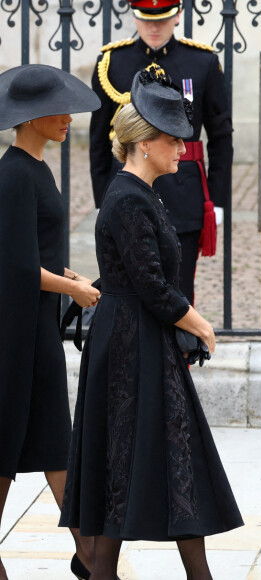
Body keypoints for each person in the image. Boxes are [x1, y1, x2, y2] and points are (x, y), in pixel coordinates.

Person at [59, 66, 243, 580]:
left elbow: (144, 279)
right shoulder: (125, 200)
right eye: (174, 142)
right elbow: (153, 286)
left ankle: (123, 574)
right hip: (130, 343)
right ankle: (105, 574)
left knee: (162, 452)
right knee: (131, 453)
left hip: (140, 338)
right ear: (144, 145)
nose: (184, 150)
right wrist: (201, 325)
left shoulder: (139, 195)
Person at [0, 64, 102, 580]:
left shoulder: (37, 170)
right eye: (59, 111)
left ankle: (89, 556)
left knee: (52, 437)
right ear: (32, 116)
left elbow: (34, 250)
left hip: (36, 326)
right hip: (14, 333)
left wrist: (68, 275)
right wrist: (74, 290)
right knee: (8, 438)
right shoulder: (13, 173)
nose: (68, 119)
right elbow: (15, 265)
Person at [89, 0, 233, 306]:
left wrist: (218, 200)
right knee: (128, 289)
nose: (154, 27)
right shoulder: (112, 61)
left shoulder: (202, 62)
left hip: (185, 193)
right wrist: (102, 199)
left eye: (163, 19)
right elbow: (99, 139)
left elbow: (220, 137)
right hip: (126, 188)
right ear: (134, 15)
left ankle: (181, 354)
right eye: (146, 19)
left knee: (179, 291)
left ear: (178, 15)